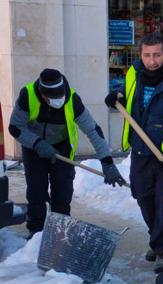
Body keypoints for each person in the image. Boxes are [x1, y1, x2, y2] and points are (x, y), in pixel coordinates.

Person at [105, 32, 163, 273]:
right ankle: (158, 240)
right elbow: (129, 97)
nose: (152, 60)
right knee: (143, 197)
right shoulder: (134, 73)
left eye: (157, 54)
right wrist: (117, 97)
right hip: (140, 151)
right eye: (147, 55)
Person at [9, 68, 125, 239]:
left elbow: (93, 131)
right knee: (36, 192)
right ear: (42, 95)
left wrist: (107, 163)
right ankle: (36, 232)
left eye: (60, 96)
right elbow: (15, 127)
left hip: (62, 148)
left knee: (62, 193)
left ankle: (59, 231)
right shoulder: (28, 95)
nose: (59, 101)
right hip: (34, 148)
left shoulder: (72, 99)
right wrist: (37, 143)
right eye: (53, 98)